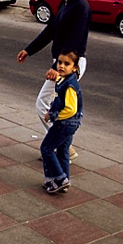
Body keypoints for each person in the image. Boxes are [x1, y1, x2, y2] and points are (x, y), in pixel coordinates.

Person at [16, 0, 90, 161]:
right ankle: (60, 146)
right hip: (62, 64)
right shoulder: (65, 4)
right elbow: (50, 31)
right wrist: (29, 50)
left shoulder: (81, 7)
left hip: (70, 65)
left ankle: (62, 145)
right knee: (55, 106)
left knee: (42, 103)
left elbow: (73, 42)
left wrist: (58, 68)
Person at [40, 49, 83, 193]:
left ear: (75, 67)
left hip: (65, 123)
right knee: (63, 151)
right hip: (70, 124)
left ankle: (59, 178)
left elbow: (71, 108)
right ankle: (63, 181)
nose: (62, 66)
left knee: (46, 148)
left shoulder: (70, 85)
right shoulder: (64, 80)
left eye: (67, 64)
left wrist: (53, 116)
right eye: (59, 62)